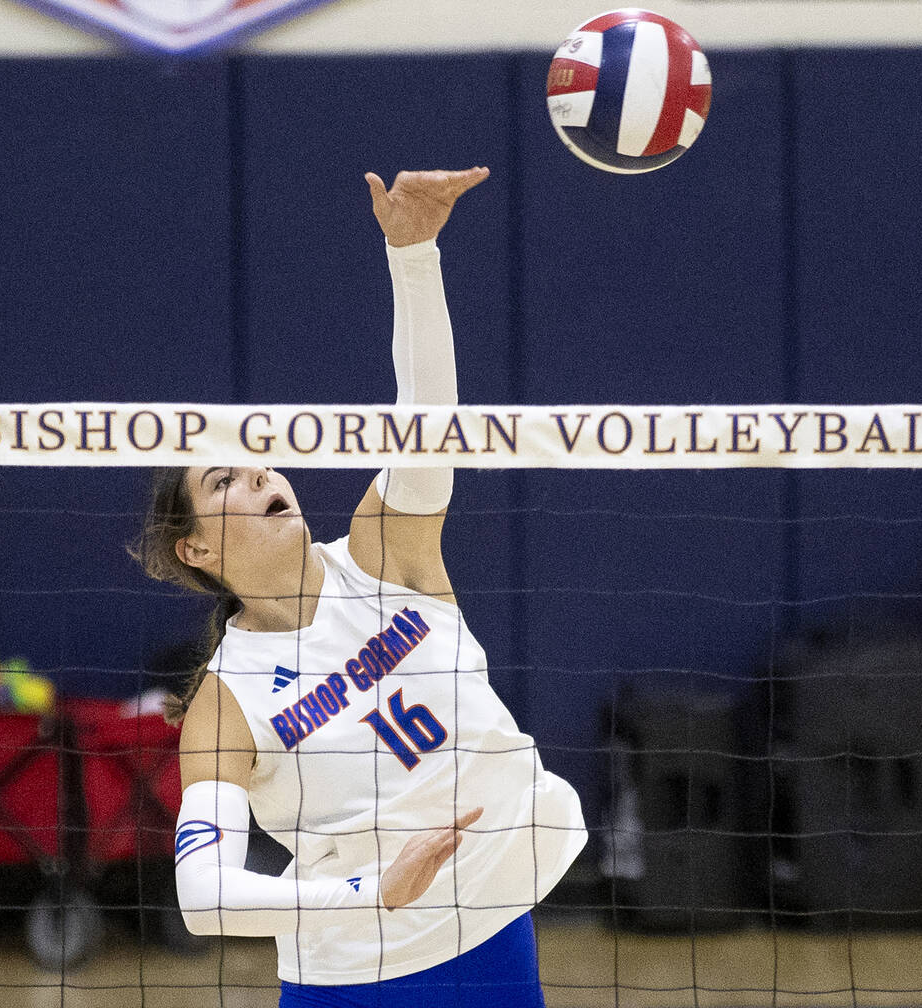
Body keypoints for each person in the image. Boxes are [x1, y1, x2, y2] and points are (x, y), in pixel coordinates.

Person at [131, 166, 587, 1007]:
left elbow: (429, 419)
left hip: (486, 926)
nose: (260, 473)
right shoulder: (225, 703)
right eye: (224, 479)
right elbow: (203, 900)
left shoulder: (385, 556)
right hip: (354, 970)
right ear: (194, 549)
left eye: (255, 459)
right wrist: (368, 892)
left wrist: (413, 255)